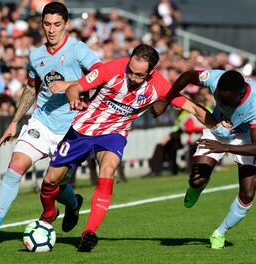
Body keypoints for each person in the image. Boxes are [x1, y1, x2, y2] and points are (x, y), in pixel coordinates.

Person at [41, 44, 217, 252]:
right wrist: (73, 101)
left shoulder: (159, 87)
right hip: (82, 130)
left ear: (151, 73)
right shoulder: (111, 69)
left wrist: (219, 126)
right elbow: (74, 88)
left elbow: (193, 108)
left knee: (107, 170)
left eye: (139, 75)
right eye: (130, 71)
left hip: (114, 134)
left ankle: (90, 232)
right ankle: (54, 212)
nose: (132, 78)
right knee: (51, 181)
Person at [0, 2, 101, 247]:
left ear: (66, 24)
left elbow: (99, 72)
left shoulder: (78, 49)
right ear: (41, 24)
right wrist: (14, 121)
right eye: (47, 24)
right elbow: (32, 88)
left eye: (57, 25)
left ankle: (72, 205)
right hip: (41, 121)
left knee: (54, 184)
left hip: (71, 128)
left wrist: (71, 85)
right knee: (15, 167)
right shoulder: (36, 55)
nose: (51, 30)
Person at [152, 69, 256, 249]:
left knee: (248, 193)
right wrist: (167, 100)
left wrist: (227, 148)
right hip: (218, 129)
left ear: (241, 94)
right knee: (197, 180)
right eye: (219, 97)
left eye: (226, 99)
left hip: (247, 138)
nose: (221, 101)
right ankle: (196, 188)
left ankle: (220, 232)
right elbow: (187, 76)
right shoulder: (215, 79)